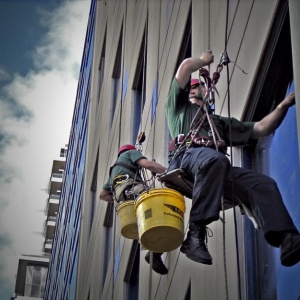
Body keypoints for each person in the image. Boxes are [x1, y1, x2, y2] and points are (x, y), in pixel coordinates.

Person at [165, 49, 300, 267]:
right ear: (190, 92)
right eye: (196, 85)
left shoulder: (218, 123)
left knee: (262, 184)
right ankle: (195, 234)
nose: (200, 86)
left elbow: (261, 128)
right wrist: (203, 61)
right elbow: (185, 67)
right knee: (215, 160)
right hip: (187, 158)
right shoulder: (178, 108)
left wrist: (282, 106)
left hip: (214, 168)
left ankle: (287, 239)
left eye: (200, 84)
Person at [99, 144, 169, 275]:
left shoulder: (114, 170)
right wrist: (168, 171)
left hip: (122, 202)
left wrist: (118, 199)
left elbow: (102, 195)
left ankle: (153, 251)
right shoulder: (130, 153)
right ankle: (155, 252)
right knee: (159, 210)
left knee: (143, 225)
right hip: (133, 190)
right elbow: (148, 165)